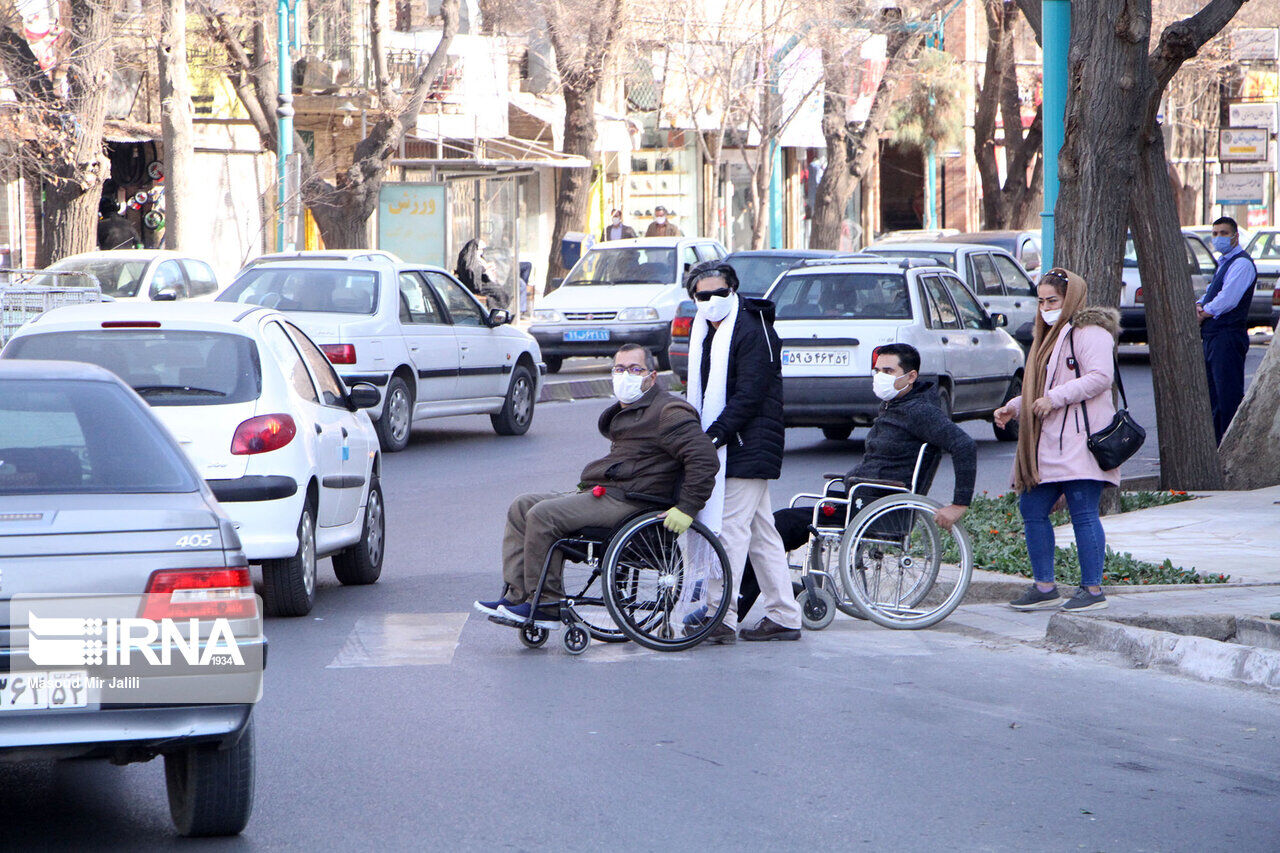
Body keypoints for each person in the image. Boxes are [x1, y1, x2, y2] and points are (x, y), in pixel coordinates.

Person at [474, 344, 719, 623]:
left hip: (635, 501)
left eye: (634, 369)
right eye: (619, 369)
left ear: (651, 377)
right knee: (522, 505)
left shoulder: (669, 411)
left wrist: (687, 507)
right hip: (611, 491)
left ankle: (547, 603)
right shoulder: (633, 409)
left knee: (543, 515)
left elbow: (703, 457)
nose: (625, 375)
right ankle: (518, 596)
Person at [748, 343, 975, 613]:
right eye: (877, 370)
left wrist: (958, 504)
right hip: (859, 499)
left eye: (888, 370)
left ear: (911, 376)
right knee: (777, 526)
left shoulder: (920, 412)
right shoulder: (895, 405)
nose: (880, 376)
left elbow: (964, 445)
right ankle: (747, 596)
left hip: (876, 506)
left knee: (778, 526)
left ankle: (739, 603)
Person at [684, 260, 802, 643]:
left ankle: (722, 616)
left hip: (747, 447)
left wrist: (714, 436)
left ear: (732, 291)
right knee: (762, 535)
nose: (712, 300)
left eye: (720, 292)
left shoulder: (752, 328)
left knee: (730, 532)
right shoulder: (705, 332)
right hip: (732, 446)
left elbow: (750, 393)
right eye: (704, 295)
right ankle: (784, 614)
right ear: (694, 299)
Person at [994, 267, 1121, 613]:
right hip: (1051, 442)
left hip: (1082, 440)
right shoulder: (1047, 336)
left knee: (1083, 511)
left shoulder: (1089, 331)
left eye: (1053, 300)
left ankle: (1093, 589)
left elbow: (1100, 377)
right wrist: (1015, 406)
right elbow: (1042, 390)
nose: (1045, 307)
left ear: (1071, 299)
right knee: (1032, 507)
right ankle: (1044, 586)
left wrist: (1056, 399)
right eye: (1041, 301)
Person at [1197, 216, 1257, 443]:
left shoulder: (1241, 264)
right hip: (1213, 336)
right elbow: (1212, 292)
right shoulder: (1224, 263)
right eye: (1214, 234)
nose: (1218, 238)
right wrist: (1199, 305)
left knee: (1227, 397)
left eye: (1223, 233)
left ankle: (1228, 446)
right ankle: (1215, 448)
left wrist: (1204, 312)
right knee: (1213, 398)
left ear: (1235, 236)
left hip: (1227, 337)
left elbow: (1228, 299)